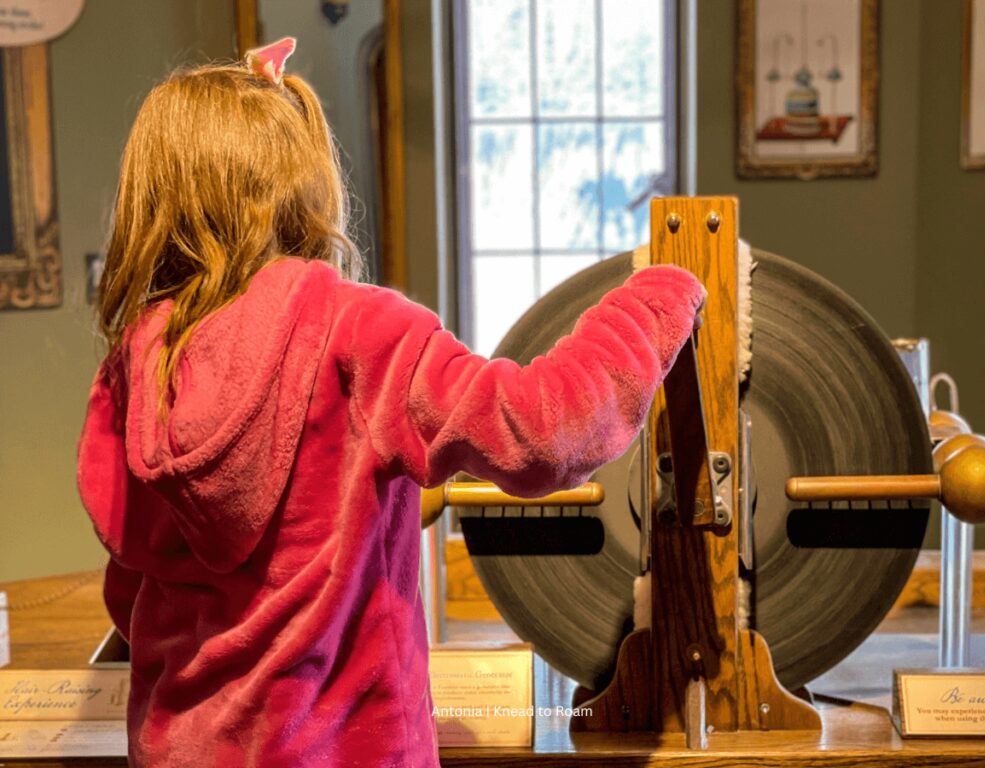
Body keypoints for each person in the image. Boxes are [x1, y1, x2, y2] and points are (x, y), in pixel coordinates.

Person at [77, 39, 705, 768]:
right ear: (302, 187)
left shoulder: (134, 366)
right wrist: (657, 298)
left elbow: (130, 591)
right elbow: (545, 428)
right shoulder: (358, 333)